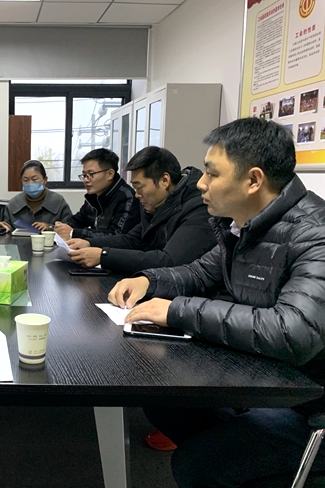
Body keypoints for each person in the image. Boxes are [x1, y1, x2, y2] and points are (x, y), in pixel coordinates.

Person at [108, 118, 325, 487]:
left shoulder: (314, 234)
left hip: (308, 404)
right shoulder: (241, 224)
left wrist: (176, 310)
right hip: (266, 378)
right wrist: (148, 281)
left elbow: (294, 330)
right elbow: (199, 272)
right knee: (165, 404)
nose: (201, 183)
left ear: (253, 180)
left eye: (212, 173)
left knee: (197, 465)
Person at [67, 146, 216, 275]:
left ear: (164, 180)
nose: (137, 195)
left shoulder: (198, 207)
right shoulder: (155, 204)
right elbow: (131, 240)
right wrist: (89, 243)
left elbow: (169, 260)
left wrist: (103, 256)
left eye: (140, 187)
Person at [53, 148, 140, 240]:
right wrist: (62, 227)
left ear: (110, 174)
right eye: (84, 175)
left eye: (91, 174)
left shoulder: (127, 197)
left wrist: (73, 233)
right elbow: (78, 220)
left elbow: (116, 236)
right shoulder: (94, 196)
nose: (86, 180)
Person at [0, 160, 73, 232]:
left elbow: (69, 228)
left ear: (45, 180)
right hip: (20, 244)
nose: (30, 183)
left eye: (34, 179)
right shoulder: (13, 204)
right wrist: (2, 227)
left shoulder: (58, 202)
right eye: (26, 180)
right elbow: (8, 226)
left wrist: (50, 227)